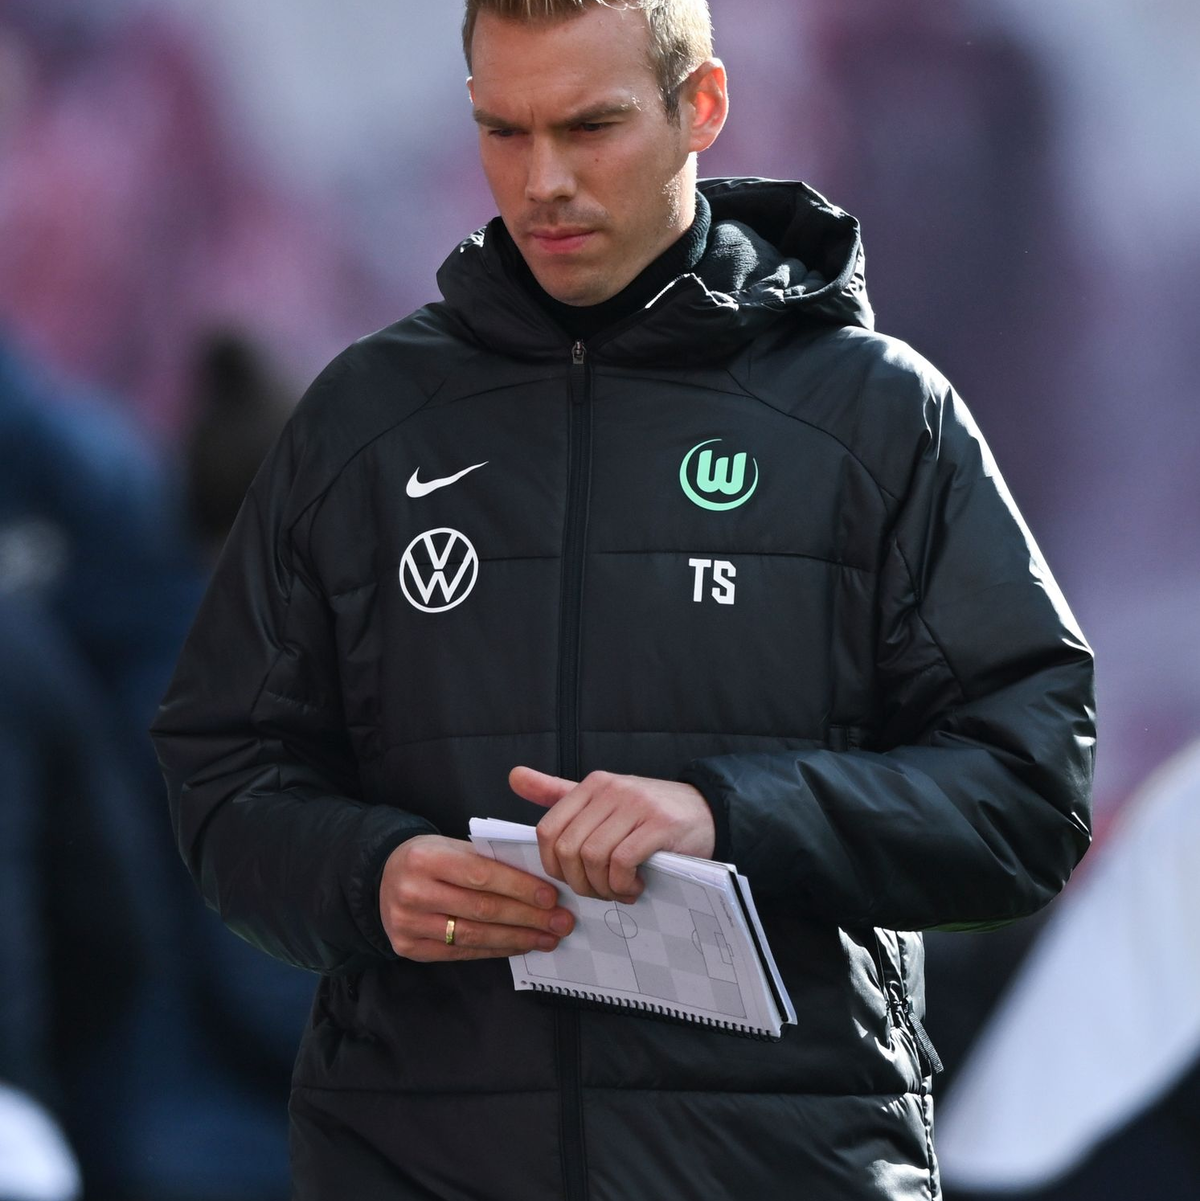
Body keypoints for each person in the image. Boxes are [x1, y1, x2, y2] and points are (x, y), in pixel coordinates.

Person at [151, 1, 1096, 1197]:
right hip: (416, 1161)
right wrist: (365, 873)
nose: (542, 180)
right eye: (505, 130)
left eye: (590, 127)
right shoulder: (363, 421)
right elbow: (224, 772)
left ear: (700, 105)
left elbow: (1027, 793)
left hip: (787, 1166)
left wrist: (727, 816)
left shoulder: (876, 417)